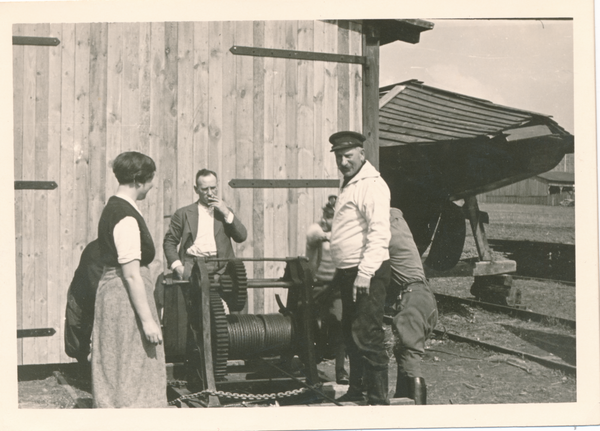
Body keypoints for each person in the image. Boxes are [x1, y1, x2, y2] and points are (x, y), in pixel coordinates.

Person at [92, 151, 167, 408]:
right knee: (133, 364)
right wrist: (147, 321)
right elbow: (132, 274)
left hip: (117, 294)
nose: (153, 184)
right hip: (125, 298)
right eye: (150, 179)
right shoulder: (124, 216)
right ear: (138, 180)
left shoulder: (116, 207)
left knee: (117, 364)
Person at [329, 131, 392, 405]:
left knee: (368, 333)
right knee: (352, 333)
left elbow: (379, 232)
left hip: (366, 272)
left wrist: (365, 273)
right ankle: (358, 390)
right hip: (350, 272)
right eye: (339, 157)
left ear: (362, 155)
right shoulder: (351, 183)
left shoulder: (372, 185)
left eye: (349, 156)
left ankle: (378, 401)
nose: (343, 162)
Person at [388, 207, 438, 405]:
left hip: (413, 297)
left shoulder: (385, 228)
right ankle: (402, 400)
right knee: (404, 352)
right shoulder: (400, 224)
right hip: (423, 296)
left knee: (410, 356)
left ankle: (417, 411)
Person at [163, 169, 247, 281]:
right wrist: (177, 267)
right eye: (204, 189)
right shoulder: (183, 213)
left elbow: (241, 237)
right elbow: (169, 242)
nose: (210, 193)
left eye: (213, 188)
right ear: (196, 189)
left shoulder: (225, 212)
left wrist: (226, 212)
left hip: (222, 269)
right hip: (192, 268)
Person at [306, 195, 348, 385]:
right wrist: (329, 235)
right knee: (310, 323)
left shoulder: (346, 235)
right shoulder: (318, 231)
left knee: (339, 325)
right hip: (317, 286)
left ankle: (341, 370)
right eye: (324, 215)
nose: (324, 220)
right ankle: (311, 362)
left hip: (337, 289)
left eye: (329, 217)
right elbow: (312, 235)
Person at [64, 239, 102, 376]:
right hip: (83, 293)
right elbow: (94, 285)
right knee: (77, 334)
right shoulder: (94, 250)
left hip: (103, 293)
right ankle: (83, 367)